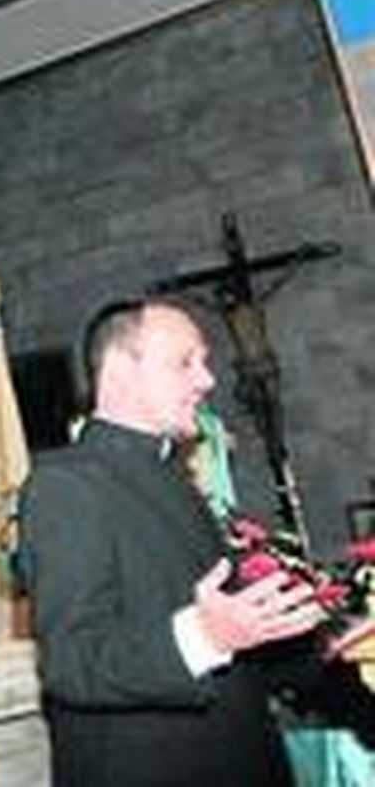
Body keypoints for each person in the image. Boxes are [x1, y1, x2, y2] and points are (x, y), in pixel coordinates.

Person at [19, 297, 375, 787]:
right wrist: (204, 636)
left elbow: (241, 656)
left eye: (203, 362)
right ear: (123, 370)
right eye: (185, 362)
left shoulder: (172, 479)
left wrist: (342, 642)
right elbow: (74, 663)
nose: (207, 380)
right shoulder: (66, 484)